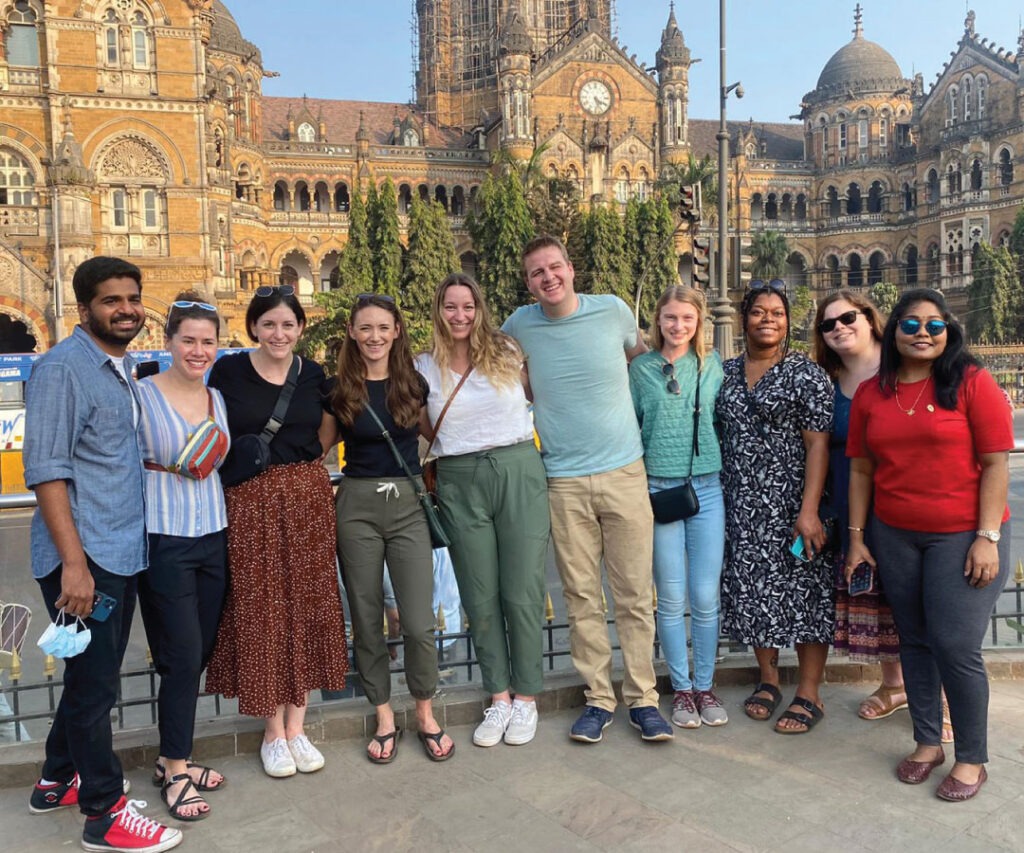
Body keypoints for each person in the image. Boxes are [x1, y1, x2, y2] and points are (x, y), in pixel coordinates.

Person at [23, 256, 182, 852]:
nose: (127, 310)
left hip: (119, 548)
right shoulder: (65, 369)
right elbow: (47, 471)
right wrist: (74, 564)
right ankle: (104, 815)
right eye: (112, 300)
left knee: (91, 678)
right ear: (84, 306)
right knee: (95, 689)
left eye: (133, 298)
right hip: (89, 557)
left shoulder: (117, 369)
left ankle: (54, 781)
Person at [502, 235, 672, 744]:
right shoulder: (518, 326)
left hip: (625, 471)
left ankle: (643, 699)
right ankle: (598, 698)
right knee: (580, 597)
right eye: (537, 273)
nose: (548, 278)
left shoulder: (613, 311)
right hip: (562, 480)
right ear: (528, 282)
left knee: (636, 595)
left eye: (554, 267)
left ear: (571, 269)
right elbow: (509, 378)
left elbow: (642, 365)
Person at [846, 288, 1012, 801]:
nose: (923, 333)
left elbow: (996, 464)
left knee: (955, 646)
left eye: (934, 325)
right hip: (894, 534)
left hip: (961, 535)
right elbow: (860, 469)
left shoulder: (971, 383)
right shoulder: (874, 394)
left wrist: (987, 537)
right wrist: (856, 538)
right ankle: (925, 742)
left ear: (949, 332)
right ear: (891, 330)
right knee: (914, 640)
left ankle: (971, 757)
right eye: (911, 324)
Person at [205, 285, 348, 779]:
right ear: (253, 328)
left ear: (301, 328)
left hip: (307, 497)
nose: (279, 333)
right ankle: (272, 730)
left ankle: (298, 726)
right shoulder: (227, 372)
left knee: (308, 602)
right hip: (249, 500)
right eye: (269, 324)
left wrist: (306, 463)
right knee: (263, 606)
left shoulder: (313, 376)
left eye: (288, 325)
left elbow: (327, 430)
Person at [416, 274, 550, 747]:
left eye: (468, 307)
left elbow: (547, 399)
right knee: (480, 595)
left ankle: (528, 696)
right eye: (450, 307)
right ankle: (499, 697)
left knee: (522, 590)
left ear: (480, 309)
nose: (460, 316)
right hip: (458, 478)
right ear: (438, 310)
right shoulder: (423, 367)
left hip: (517, 469)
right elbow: (419, 425)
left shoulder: (508, 352)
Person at [324, 293, 454, 763]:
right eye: (365, 328)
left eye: (383, 327)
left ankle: (424, 711)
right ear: (353, 333)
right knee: (366, 617)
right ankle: (383, 715)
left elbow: (438, 435)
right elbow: (315, 448)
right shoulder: (339, 389)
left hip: (407, 502)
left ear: (397, 330)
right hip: (356, 502)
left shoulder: (413, 383)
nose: (374, 336)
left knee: (419, 622)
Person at [716, 280, 834, 735]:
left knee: (805, 593)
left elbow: (818, 446)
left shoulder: (804, 373)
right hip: (742, 505)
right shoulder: (724, 373)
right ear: (744, 318)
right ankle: (768, 679)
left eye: (778, 313)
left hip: (792, 502)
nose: (768, 319)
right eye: (759, 311)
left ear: (789, 322)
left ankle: (809, 692)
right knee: (754, 592)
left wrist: (808, 511)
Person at [136, 294, 230, 820]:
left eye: (207, 341)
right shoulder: (142, 395)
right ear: (169, 341)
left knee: (198, 651)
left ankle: (172, 755)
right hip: (164, 535)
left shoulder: (217, 398)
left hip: (212, 533)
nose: (198, 350)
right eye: (188, 340)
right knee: (181, 654)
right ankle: (176, 769)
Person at [629, 286, 727, 729]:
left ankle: (706, 686)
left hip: (706, 489)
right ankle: (682, 690)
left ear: (699, 321)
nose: (678, 326)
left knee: (705, 597)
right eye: (670, 317)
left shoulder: (712, 368)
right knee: (670, 597)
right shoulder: (641, 370)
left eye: (687, 318)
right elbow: (629, 428)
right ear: (658, 320)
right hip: (659, 490)